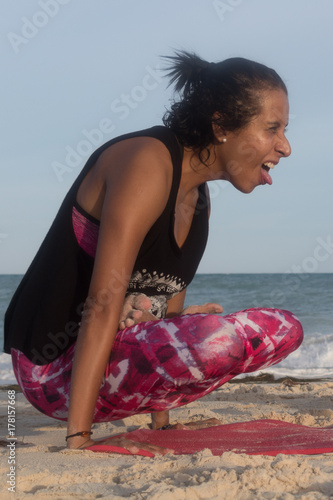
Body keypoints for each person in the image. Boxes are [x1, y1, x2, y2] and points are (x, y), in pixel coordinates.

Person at [4, 51, 303, 455]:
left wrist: (161, 421)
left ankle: (152, 411)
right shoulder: (146, 163)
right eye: (272, 128)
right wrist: (80, 439)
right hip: (52, 370)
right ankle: (79, 426)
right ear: (221, 126)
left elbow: (166, 307)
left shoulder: (200, 201)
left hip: (117, 366)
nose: (284, 146)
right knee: (223, 338)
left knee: (285, 330)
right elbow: (102, 304)